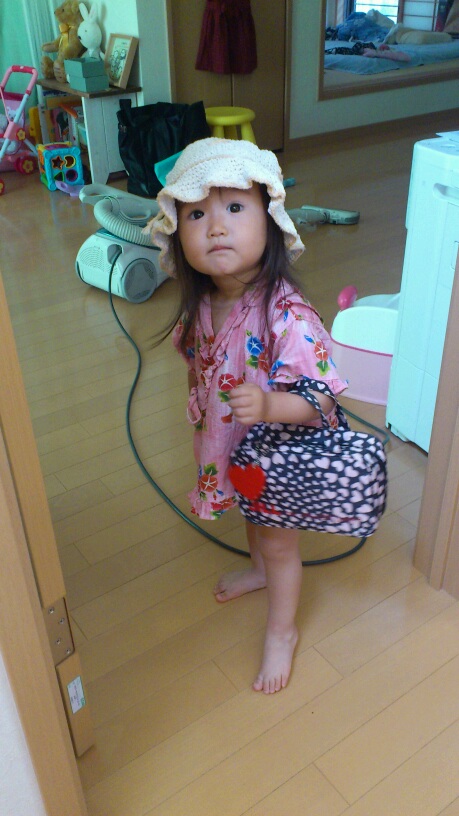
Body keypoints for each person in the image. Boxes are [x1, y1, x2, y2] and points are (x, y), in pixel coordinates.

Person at [147, 138, 348, 694]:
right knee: (249, 509)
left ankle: (282, 631)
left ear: (270, 222)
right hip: (236, 447)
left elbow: (323, 398)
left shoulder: (287, 315)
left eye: (235, 207)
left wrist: (269, 405)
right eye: (196, 214)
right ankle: (258, 571)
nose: (216, 227)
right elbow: (199, 361)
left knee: (280, 541)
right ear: (176, 232)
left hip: (281, 453)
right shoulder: (202, 305)